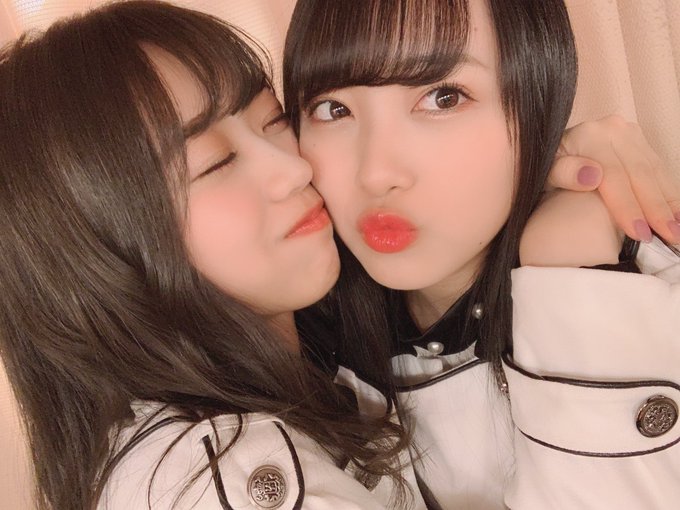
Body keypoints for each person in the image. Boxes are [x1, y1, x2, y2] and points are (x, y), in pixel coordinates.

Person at [0, 2, 428, 508]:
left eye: (273, 120)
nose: (293, 170)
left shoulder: (314, 375)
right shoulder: (213, 476)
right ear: (96, 248)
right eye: (216, 162)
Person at [283, 0, 680, 508]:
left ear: (537, 105)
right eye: (333, 110)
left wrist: (570, 272)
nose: (376, 173)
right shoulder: (303, 343)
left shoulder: (649, 298)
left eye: (443, 97)